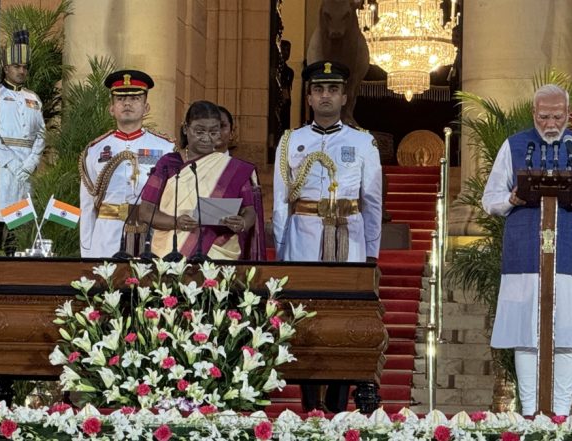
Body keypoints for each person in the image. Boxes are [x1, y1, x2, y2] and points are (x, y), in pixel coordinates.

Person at [481, 84, 572, 416]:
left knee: (568, 333)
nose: (551, 123)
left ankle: (560, 411)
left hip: (570, 257)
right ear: (533, 113)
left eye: (557, 116)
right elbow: (489, 200)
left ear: (568, 114)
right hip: (524, 258)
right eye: (544, 116)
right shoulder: (513, 146)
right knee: (525, 332)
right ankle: (530, 413)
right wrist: (511, 199)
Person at [273, 60, 382, 412]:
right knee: (306, 318)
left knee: (345, 317)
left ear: (344, 96)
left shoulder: (363, 142)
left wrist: (371, 254)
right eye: (319, 89)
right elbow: (279, 200)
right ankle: (309, 404)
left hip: (347, 235)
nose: (325, 95)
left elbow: (372, 201)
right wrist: (281, 250)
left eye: (333, 89)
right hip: (303, 236)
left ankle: (337, 403)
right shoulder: (292, 141)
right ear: (308, 97)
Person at [138, 100, 265, 260]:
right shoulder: (169, 164)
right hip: (171, 251)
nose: (206, 138)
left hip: (219, 253)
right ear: (186, 129)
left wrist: (242, 223)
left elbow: (250, 211)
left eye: (213, 132)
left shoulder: (232, 168)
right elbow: (146, 212)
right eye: (199, 131)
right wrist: (176, 222)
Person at [79, 69, 174, 258]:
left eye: (135, 98)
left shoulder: (165, 148)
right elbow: (87, 203)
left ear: (146, 107)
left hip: (151, 232)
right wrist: (87, 249)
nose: (127, 103)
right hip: (107, 234)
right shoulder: (96, 150)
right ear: (111, 107)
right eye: (120, 99)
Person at [0, 30, 45, 239]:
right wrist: (10, 162)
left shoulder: (33, 99)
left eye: (25, 67)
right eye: (17, 66)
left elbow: (42, 134)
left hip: (27, 167)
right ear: (6, 68)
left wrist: (32, 161)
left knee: (21, 226)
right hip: (0, 166)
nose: (21, 71)